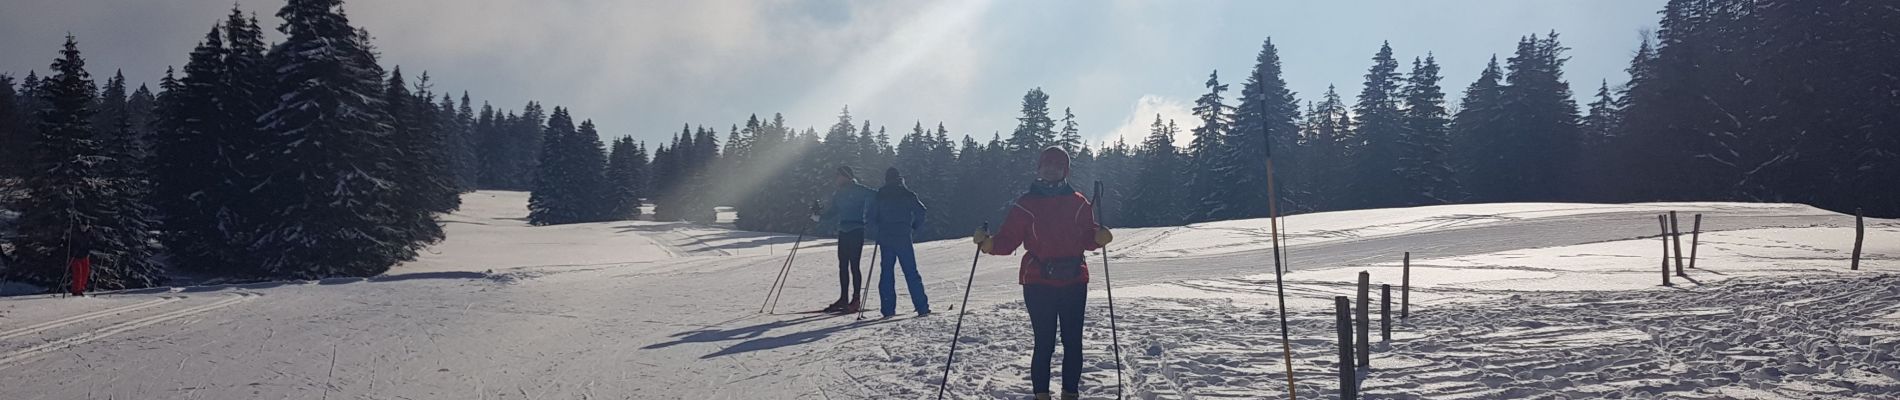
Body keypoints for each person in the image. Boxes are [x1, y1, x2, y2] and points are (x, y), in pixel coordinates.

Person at [973, 147, 1114, 400]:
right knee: (1044, 344)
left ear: (1065, 170)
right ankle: (1042, 396)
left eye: (1057, 165)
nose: (1051, 169)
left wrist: (1098, 238)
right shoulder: (1025, 205)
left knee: (1073, 342)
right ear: (1039, 168)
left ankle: (1070, 394)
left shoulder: (1079, 202)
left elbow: (1087, 237)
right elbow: (1008, 240)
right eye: (1047, 164)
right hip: (1039, 282)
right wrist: (989, 244)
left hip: (1074, 280)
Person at [812, 166, 877, 313]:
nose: (836, 178)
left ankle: (855, 299)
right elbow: (833, 211)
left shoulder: (859, 189)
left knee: (854, 265)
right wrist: (819, 216)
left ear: (846, 176)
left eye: (838, 176)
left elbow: (876, 195)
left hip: (856, 231)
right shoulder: (839, 193)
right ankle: (843, 298)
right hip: (844, 231)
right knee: (843, 266)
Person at [866, 167, 929, 317]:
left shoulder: (880, 194)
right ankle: (922, 307)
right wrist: (914, 226)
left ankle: (888, 310)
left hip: (886, 236)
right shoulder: (906, 193)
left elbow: (870, 217)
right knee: (911, 271)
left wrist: (877, 231)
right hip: (903, 235)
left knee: (887, 273)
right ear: (899, 178)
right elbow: (921, 211)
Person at [68, 226, 94, 297]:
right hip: (76, 256)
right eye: (83, 226)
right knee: (78, 273)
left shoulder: (89, 233)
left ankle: (81, 288)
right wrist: (74, 249)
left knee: (85, 273)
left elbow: (92, 242)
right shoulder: (76, 233)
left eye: (86, 226)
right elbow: (71, 242)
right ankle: (76, 290)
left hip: (85, 256)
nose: (84, 228)